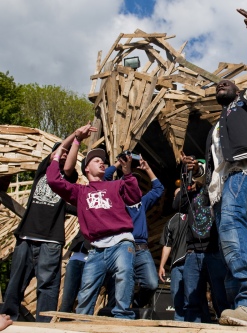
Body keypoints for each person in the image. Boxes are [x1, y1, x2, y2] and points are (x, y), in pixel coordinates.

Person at [190, 8, 247, 328]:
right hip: (224, 182)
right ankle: (246, 307)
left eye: (228, 82)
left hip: (246, 171)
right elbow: (213, 169)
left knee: (231, 226)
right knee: (229, 236)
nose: (222, 84)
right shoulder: (216, 127)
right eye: (218, 85)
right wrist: (198, 174)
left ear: (238, 91)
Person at [1, 122, 96, 322]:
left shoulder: (66, 180)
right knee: (16, 281)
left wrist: (78, 141)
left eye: (66, 153)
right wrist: (73, 135)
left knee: (47, 283)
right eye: (61, 152)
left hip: (51, 240)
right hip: (27, 235)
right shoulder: (43, 172)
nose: (63, 154)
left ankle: (44, 323)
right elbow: (60, 148)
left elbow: (69, 165)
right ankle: (7, 318)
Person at [46, 147, 142, 319]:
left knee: (124, 273)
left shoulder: (116, 184)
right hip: (96, 249)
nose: (102, 162)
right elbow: (53, 181)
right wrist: (56, 157)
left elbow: (135, 198)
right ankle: (82, 322)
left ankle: (122, 319)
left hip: (121, 243)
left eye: (103, 161)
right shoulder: (80, 192)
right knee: (86, 291)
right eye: (96, 160)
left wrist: (127, 173)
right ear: (87, 169)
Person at [175, 154, 230, 322]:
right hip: (193, 253)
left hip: (213, 251)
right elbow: (177, 205)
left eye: (197, 167)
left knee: (220, 296)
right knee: (192, 299)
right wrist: (186, 179)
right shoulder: (191, 194)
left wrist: (200, 172)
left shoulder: (214, 190)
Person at [104, 157, 164, 308]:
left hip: (141, 249)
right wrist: (120, 162)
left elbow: (159, 189)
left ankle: (136, 306)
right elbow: (105, 177)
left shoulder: (142, 202)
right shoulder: (116, 200)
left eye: (136, 182)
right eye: (131, 180)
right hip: (122, 248)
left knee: (151, 283)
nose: (134, 184)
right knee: (124, 285)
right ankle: (119, 315)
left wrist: (148, 169)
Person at [158, 192, 188, 321]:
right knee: (177, 299)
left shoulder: (195, 212)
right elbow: (167, 244)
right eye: (176, 195)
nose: (179, 197)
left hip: (192, 261)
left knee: (193, 299)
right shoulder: (172, 220)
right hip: (176, 264)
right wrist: (162, 265)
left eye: (181, 194)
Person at [59, 231, 91, 315]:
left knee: (84, 297)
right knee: (67, 297)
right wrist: (68, 254)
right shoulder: (85, 222)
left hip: (90, 262)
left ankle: (81, 322)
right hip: (74, 260)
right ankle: (63, 320)